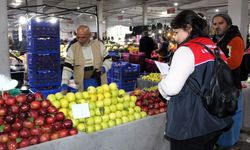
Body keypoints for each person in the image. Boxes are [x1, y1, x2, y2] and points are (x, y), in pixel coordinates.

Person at [158, 10, 232, 150]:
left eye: (177, 32)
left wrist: (162, 82)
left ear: (189, 28)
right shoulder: (215, 48)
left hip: (191, 124)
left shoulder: (186, 50)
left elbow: (171, 88)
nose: (176, 37)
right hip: (215, 118)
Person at [212, 13, 245, 149]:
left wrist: (213, 66)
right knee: (219, 117)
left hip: (232, 88)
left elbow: (234, 62)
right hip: (218, 86)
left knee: (232, 117)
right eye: (214, 24)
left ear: (228, 24)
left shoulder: (235, 39)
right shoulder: (214, 40)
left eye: (221, 23)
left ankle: (229, 145)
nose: (217, 26)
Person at [61, 25, 112, 92]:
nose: (80, 40)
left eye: (83, 37)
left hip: (100, 83)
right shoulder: (73, 48)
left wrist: (104, 68)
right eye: (78, 37)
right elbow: (67, 68)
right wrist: (64, 83)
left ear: (89, 35)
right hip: (81, 84)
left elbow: (108, 59)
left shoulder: (99, 45)